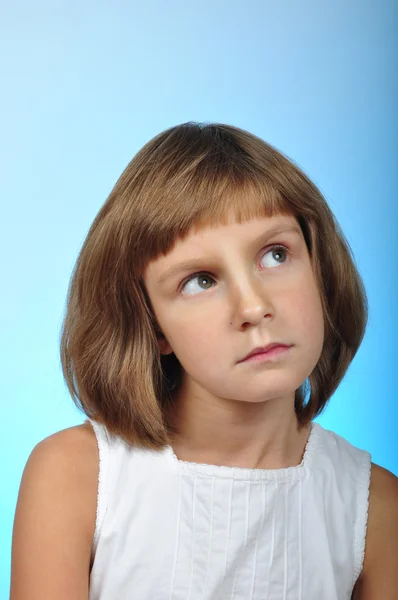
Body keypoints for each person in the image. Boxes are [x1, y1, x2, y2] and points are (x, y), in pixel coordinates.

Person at [10, 122, 398, 599]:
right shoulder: (76, 476)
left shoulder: (372, 508)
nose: (254, 307)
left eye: (275, 254)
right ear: (152, 327)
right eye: (200, 281)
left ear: (320, 265)